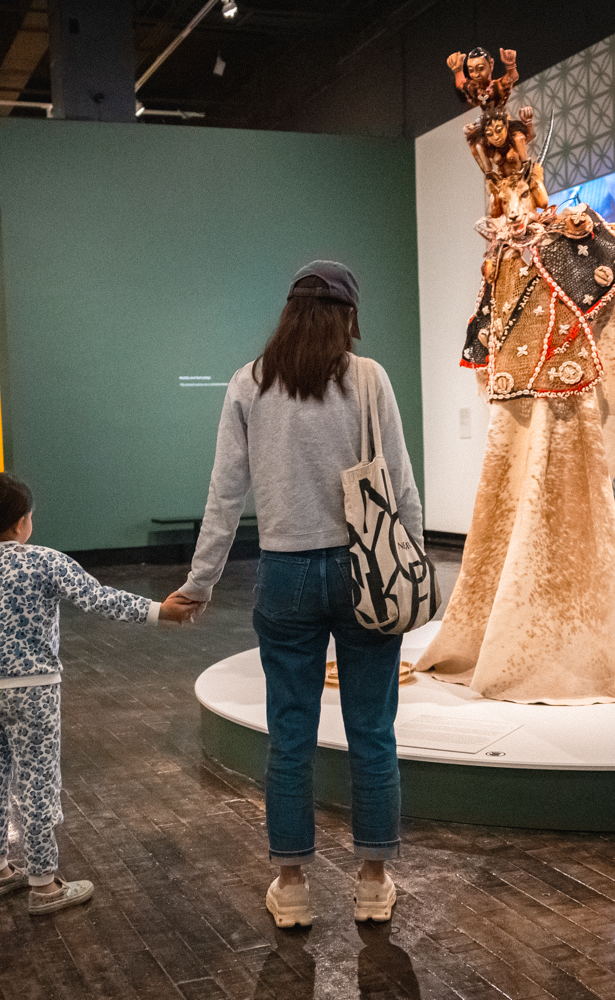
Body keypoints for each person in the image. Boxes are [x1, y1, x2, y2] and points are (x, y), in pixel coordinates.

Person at [165, 261, 422, 928]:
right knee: (372, 733)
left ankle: (293, 886)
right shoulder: (369, 378)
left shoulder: (250, 383)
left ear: (290, 312)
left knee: (289, 736)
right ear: (348, 316)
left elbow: (225, 495)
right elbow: (399, 486)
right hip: (366, 569)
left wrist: (200, 583)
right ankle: (372, 881)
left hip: (285, 574)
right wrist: (415, 569)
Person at [0, 472, 195, 914]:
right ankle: (44, 884)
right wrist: (162, 612)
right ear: (23, 522)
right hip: (35, 695)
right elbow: (99, 599)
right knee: (38, 784)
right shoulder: (44, 562)